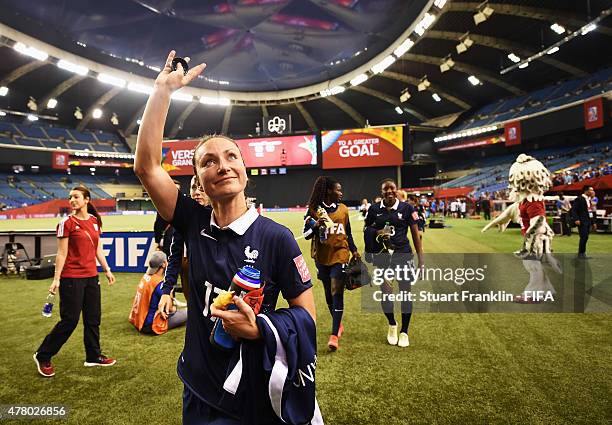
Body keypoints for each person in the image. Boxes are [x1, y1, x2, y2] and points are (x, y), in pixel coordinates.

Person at [134, 51, 320, 425]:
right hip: (200, 389)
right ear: (198, 181)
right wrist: (162, 91)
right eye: (207, 161)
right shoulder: (191, 221)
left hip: (255, 391)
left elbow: (308, 318)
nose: (222, 165)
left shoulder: (277, 238)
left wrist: (260, 328)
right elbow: (146, 166)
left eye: (231, 156)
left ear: (245, 171)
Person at [33, 186, 116, 378]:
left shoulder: (95, 221)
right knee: (69, 321)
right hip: (71, 278)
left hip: (91, 277)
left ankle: (93, 356)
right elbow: (61, 254)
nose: (72, 200)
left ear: (87, 200)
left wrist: (107, 269)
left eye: (76, 197)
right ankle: (43, 355)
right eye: (70, 197)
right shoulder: (66, 223)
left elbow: (97, 249)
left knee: (93, 318)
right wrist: (56, 279)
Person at [364, 179, 423, 348]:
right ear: (381, 192)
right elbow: (367, 229)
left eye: (392, 189)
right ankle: (392, 324)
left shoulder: (407, 208)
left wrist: (421, 261)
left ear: (397, 190)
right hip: (382, 257)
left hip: (403, 256)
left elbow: (415, 234)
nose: (389, 191)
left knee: (405, 293)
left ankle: (404, 331)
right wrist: (378, 232)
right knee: (386, 293)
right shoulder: (374, 209)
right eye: (385, 189)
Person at [303, 176, 359, 351]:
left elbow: (347, 232)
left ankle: (334, 335)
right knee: (328, 292)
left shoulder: (343, 209)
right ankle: (338, 324)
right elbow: (305, 235)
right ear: (328, 191)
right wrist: (315, 225)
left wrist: (354, 249)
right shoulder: (314, 210)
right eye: (338, 190)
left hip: (340, 253)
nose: (341, 193)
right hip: (322, 256)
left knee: (336, 289)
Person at [164, 176, 209, 302]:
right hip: (192, 279)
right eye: (194, 188)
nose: (197, 192)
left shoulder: (222, 217)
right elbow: (175, 256)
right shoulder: (185, 219)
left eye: (202, 188)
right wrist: (167, 290)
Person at [129, 251, 187, 334]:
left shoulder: (145, 277)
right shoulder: (159, 283)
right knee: (188, 312)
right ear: (164, 264)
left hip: (138, 320)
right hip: (151, 324)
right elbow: (170, 308)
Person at [153, 179, 181, 255]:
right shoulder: (185, 206)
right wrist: (158, 241)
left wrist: (158, 241)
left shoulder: (162, 206)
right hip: (170, 243)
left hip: (175, 244)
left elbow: (157, 226)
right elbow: (158, 225)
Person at [571, 185, 596, 259]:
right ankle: (581, 253)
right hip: (582, 221)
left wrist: (593, 222)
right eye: (591, 190)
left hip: (588, 221)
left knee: (586, 237)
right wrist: (576, 219)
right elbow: (574, 210)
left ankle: (583, 253)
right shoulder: (579, 199)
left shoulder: (589, 199)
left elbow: (590, 211)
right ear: (586, 191)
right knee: (583, 237)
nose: (592, 192)